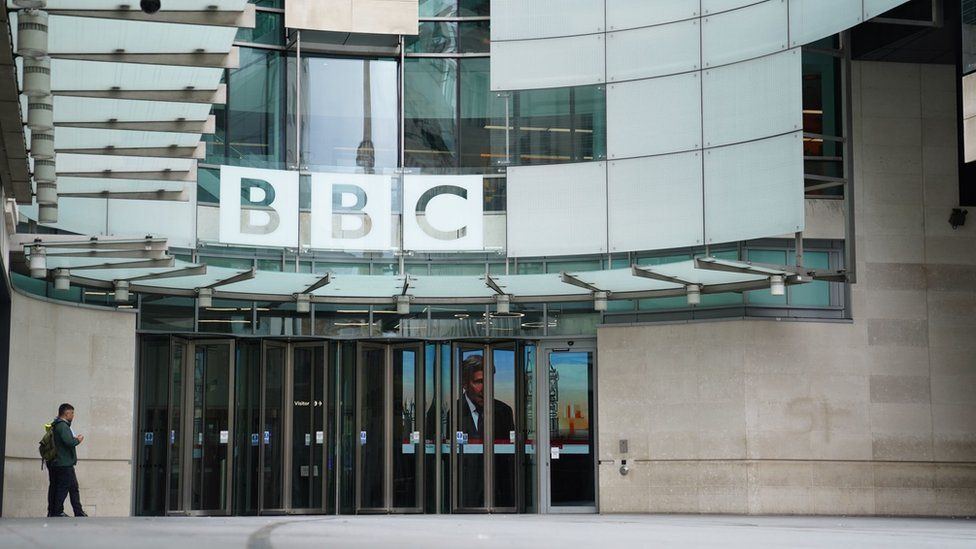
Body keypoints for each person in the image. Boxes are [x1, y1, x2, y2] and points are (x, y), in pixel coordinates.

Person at [47, 403, 86, 517]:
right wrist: (78, 440)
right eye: (72, 413)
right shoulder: (63, 426)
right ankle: (57, 511)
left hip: (56, 462)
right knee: (62, 487)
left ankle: (78, 511)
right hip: (64, 463)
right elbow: (69, 442)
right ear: (66, 413)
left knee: (72, 487)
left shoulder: (55, 424)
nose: (73, 415)